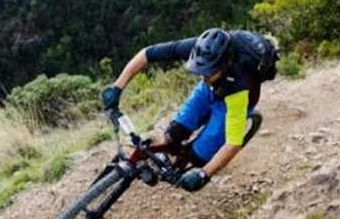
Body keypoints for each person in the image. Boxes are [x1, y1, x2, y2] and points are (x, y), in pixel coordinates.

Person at [101, 28, 278, 192]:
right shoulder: (202, 48)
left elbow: (234, 143)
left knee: (198, 156)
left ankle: (190, 159)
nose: (202, 75)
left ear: (224, 66)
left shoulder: (240, 88)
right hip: (211, 89)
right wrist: (117, 87)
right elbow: (147, 54)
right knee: (174, 133)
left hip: (232, 99)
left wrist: (204, 174)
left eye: (208, 72)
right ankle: (172, 152)